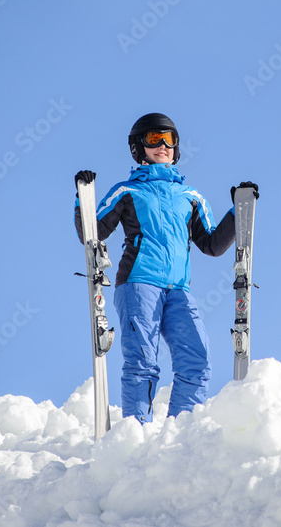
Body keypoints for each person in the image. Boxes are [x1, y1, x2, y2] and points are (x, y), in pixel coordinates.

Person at [75, 112, 258, 423]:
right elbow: (92, 232)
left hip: (178, 290)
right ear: (138, 148)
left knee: (196, 361)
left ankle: (180, 431)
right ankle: (137, 430)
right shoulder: (127, 191)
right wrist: (83, 197)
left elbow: (211, 245)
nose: (162, 145)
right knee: (143, 361)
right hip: (137, 283)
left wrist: (237, 212)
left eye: (169, 139)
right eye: (153, 138)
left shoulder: (191, 197)